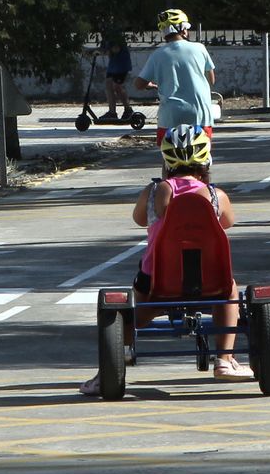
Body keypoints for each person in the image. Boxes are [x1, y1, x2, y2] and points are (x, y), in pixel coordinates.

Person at [79, 125, 254, 395]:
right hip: (211, 284)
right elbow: (228, 222)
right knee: (230, 288)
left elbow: (138, 219)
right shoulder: (216, 197)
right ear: (206, 160)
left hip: (159, 284)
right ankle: (225, 359)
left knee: (131, 304)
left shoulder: (153, 193)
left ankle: (116, 360)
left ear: (166, 161)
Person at [135, 8, 216, 144]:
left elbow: (138, 84)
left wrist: (151, 85)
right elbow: (211, 80)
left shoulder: (157, 55)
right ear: (183, 29)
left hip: (170, 117)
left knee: (169, 157)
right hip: (200, 115)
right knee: (201, 155)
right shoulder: (200, 48)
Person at [100, 34, 134, 122]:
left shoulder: (115, 33)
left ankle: (128, 110)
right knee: (108, 85)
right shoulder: (106, 32)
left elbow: (116, 49)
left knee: (117, 87)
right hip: (113, 66)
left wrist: (107, 51)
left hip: (121, 65)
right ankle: (112, 112)